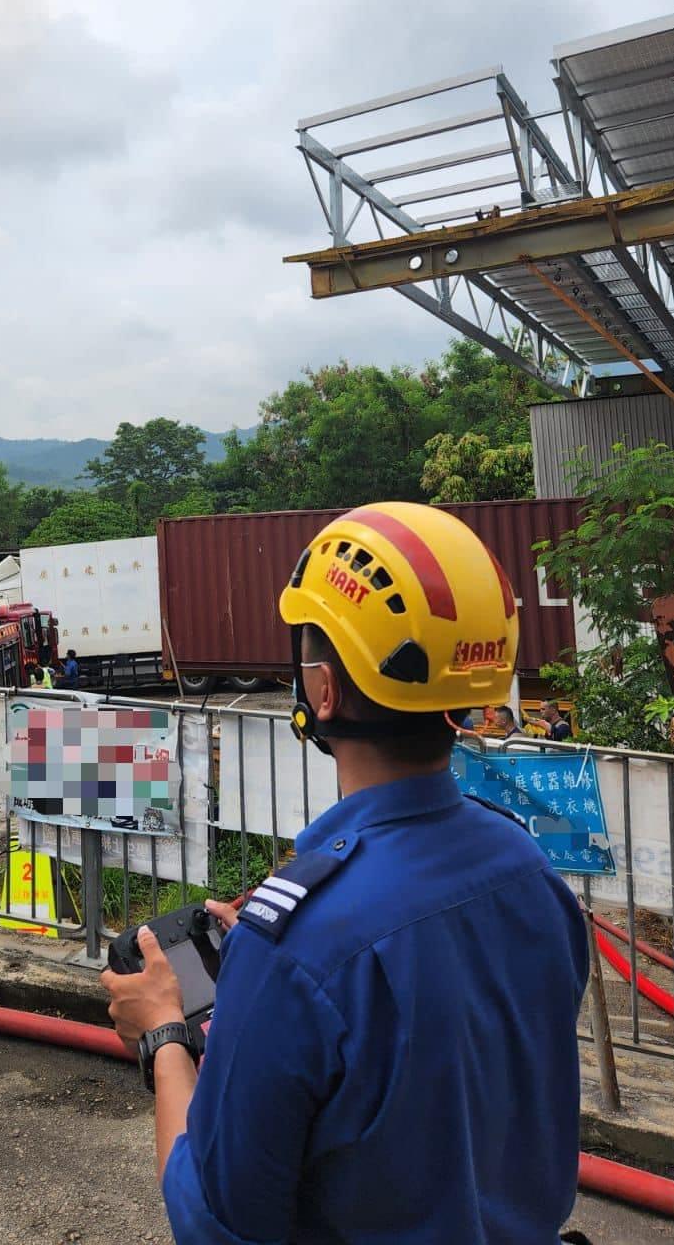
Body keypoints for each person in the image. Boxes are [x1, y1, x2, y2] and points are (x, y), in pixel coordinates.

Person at [102, 501, 589, 1245]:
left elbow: (215, 1222)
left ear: (323, 690)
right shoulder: (525, 869)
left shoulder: (295, 945)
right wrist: (261, 975)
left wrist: (164, 1033)